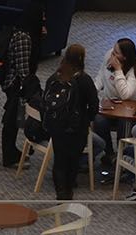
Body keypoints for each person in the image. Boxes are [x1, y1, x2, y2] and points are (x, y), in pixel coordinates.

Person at [43, 44, 99, 201]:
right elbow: (94, 105)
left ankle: (60, 192)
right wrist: (87, 119)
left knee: (59, 160)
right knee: (73, 160)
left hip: (57, 126)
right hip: (77, 128)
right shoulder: (84, 79)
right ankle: (68, 190)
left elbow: (45, 102)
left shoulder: (55, 77)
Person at [0, 4, 46, 168]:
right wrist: (30, 89)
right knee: (11, 120)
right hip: (15, 85)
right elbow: (23, 69)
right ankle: (9, 156)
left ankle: (12, 151)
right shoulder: (24, 38)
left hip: (14, 83)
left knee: (12, 119)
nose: (44, 20)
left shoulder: (22, 33)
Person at [93, 38, 136, 171]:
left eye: (116, 53)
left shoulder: (135, 70)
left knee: (124, 122)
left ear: (125, 57)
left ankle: (123, 157)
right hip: (110, 108)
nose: (112, 55)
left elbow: (125, 94)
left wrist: (118, 70)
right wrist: (92, 91)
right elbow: (100, 77)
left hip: (130, 111)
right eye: (113, 50)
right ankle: (109, 153)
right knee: (98, 120)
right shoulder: (109, 55)